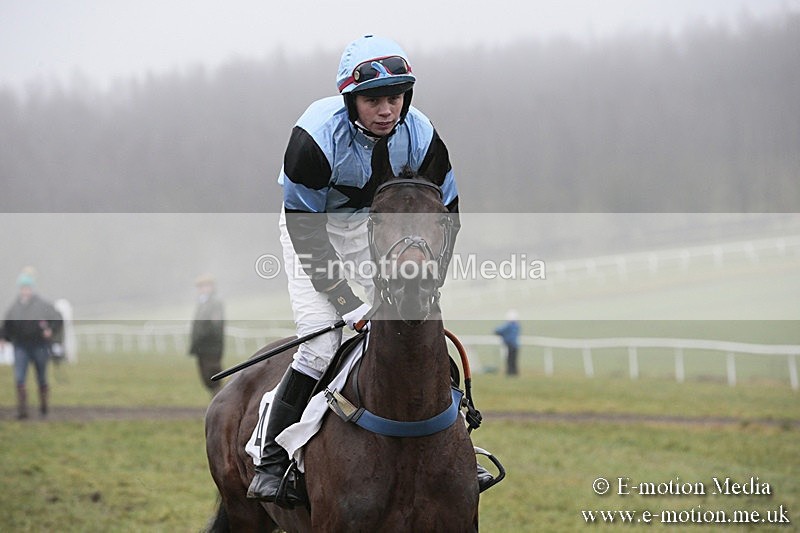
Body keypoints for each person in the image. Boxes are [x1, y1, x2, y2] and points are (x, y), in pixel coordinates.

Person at [247, 35, 470, 505]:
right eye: (373, 100)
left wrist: (429, 284)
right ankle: (272, 457)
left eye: (396, 98)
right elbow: (308, 234)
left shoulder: (423, 135)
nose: (388, 110)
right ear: (351, 100)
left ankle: (457, 435)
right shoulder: (314, 138)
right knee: (321, 345)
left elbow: (446, 215)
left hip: (379, 233)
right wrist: (347, 303)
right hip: (314, 232)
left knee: (418, 330)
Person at [0, 271, 63, 419]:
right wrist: (2, 338)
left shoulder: (42, 305)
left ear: (32, 288)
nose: (25, 290)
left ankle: (44, 408)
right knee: (20, 378)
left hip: (40, 346)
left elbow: (57, 318)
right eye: (23, 287)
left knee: (41, 377)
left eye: (27, 287)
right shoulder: (15, 307)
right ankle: (22, 410)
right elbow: (7, 325)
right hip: (21, 346)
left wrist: (50, 330)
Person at [188, 274, 225, 396]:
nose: (202, 289)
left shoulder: (215, 303)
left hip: (211, 347)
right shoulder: (202, 303)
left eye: (205, 286)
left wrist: (201, 337)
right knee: (206, 377)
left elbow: (215, 326)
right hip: (202, 347)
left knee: (213, 376)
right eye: (200, 286)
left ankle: (219, 403)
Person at [494, 311, 521, 376]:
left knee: (510, 359)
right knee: (513, 360)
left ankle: (510, 373)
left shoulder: (509, 325)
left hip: (510, 345)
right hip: (516, 345)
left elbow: (498, 330)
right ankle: (514, 373)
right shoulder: (517, 325)